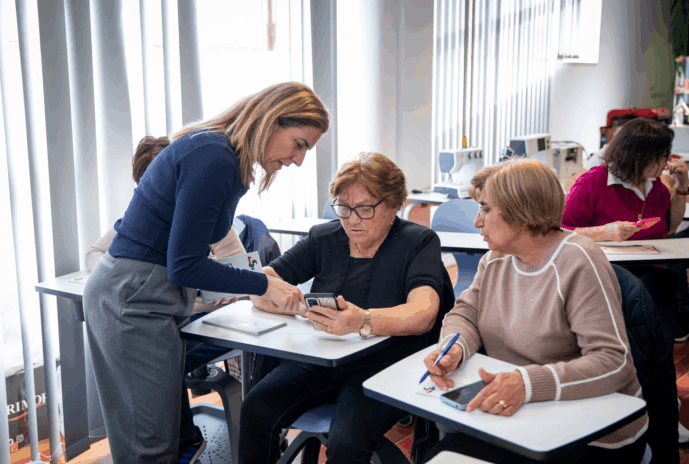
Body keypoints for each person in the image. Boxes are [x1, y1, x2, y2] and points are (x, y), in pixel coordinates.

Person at [83, 82, 330, 464]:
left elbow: (197, 254)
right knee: (150, 448)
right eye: (299, 144)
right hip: (135, 300)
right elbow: (185, 266)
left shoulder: (222, 157)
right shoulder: (215, 158)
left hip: (141, 296)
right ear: (272, 121)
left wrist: (258, 284)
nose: (298, 160)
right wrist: (262, 285)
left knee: (155, 440)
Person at [421, 159, 647, 463]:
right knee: (442, 455)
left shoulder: (579, 261)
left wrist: (526, 384)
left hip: (594, 431)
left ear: (522, 216)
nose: (477, 222)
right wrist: (454, 348)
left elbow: (613, 363)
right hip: (521, 415)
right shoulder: (495, 259)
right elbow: (465, 314)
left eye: (485, 209)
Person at [238, 152, 455, 464]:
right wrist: (299, 308)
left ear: (394, 205)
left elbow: (423, 313)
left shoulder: (417, 242)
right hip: (325, 358)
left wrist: (360, 321)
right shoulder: (325, 237)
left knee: (345, 445)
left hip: (385, 365)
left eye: (365, 209)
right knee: (255, 408)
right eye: (343, 207)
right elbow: (262, 283)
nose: (352, 220)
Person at [84, 135, 247, 463]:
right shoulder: (148, 215)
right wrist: (128, 272)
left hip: (205, 321)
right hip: (159, 313)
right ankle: (183, 439)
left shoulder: (206, 212)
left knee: (156, 362)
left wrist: (195, 288)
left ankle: (184, 439)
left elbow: (239, 275)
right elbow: (95, 253)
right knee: (144, 362)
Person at [562, 118, 688, 345]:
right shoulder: (594, 181)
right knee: (650, 287)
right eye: (662, 156)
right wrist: (605, 233)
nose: (666, 163)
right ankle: (643, 355)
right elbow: (559, 230)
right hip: (602, 265)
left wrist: (682, 186)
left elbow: (670, 227)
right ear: (639, 156)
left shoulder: (654, 185)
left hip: (645, 266)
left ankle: (656, 356)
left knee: (662, 282)